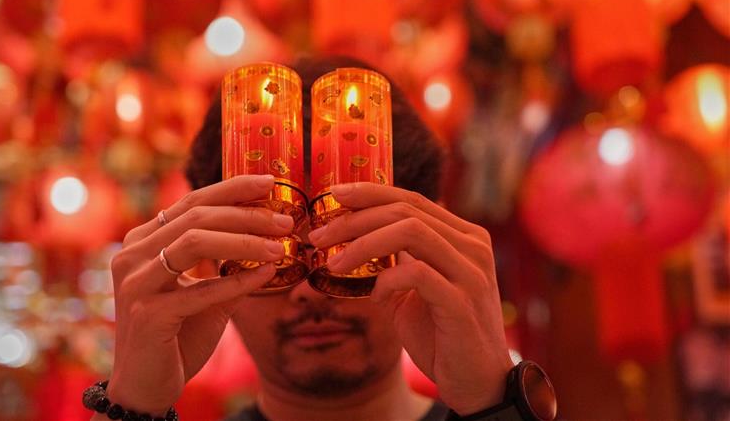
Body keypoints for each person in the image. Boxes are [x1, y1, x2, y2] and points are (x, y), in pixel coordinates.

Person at [91, 57, 532, 421]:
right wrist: (131, 405)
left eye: (350, 246)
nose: (308, 292)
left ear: (421, 249)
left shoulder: (490, 409)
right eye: (267, 254)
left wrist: (493, 399)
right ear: (207, 267)